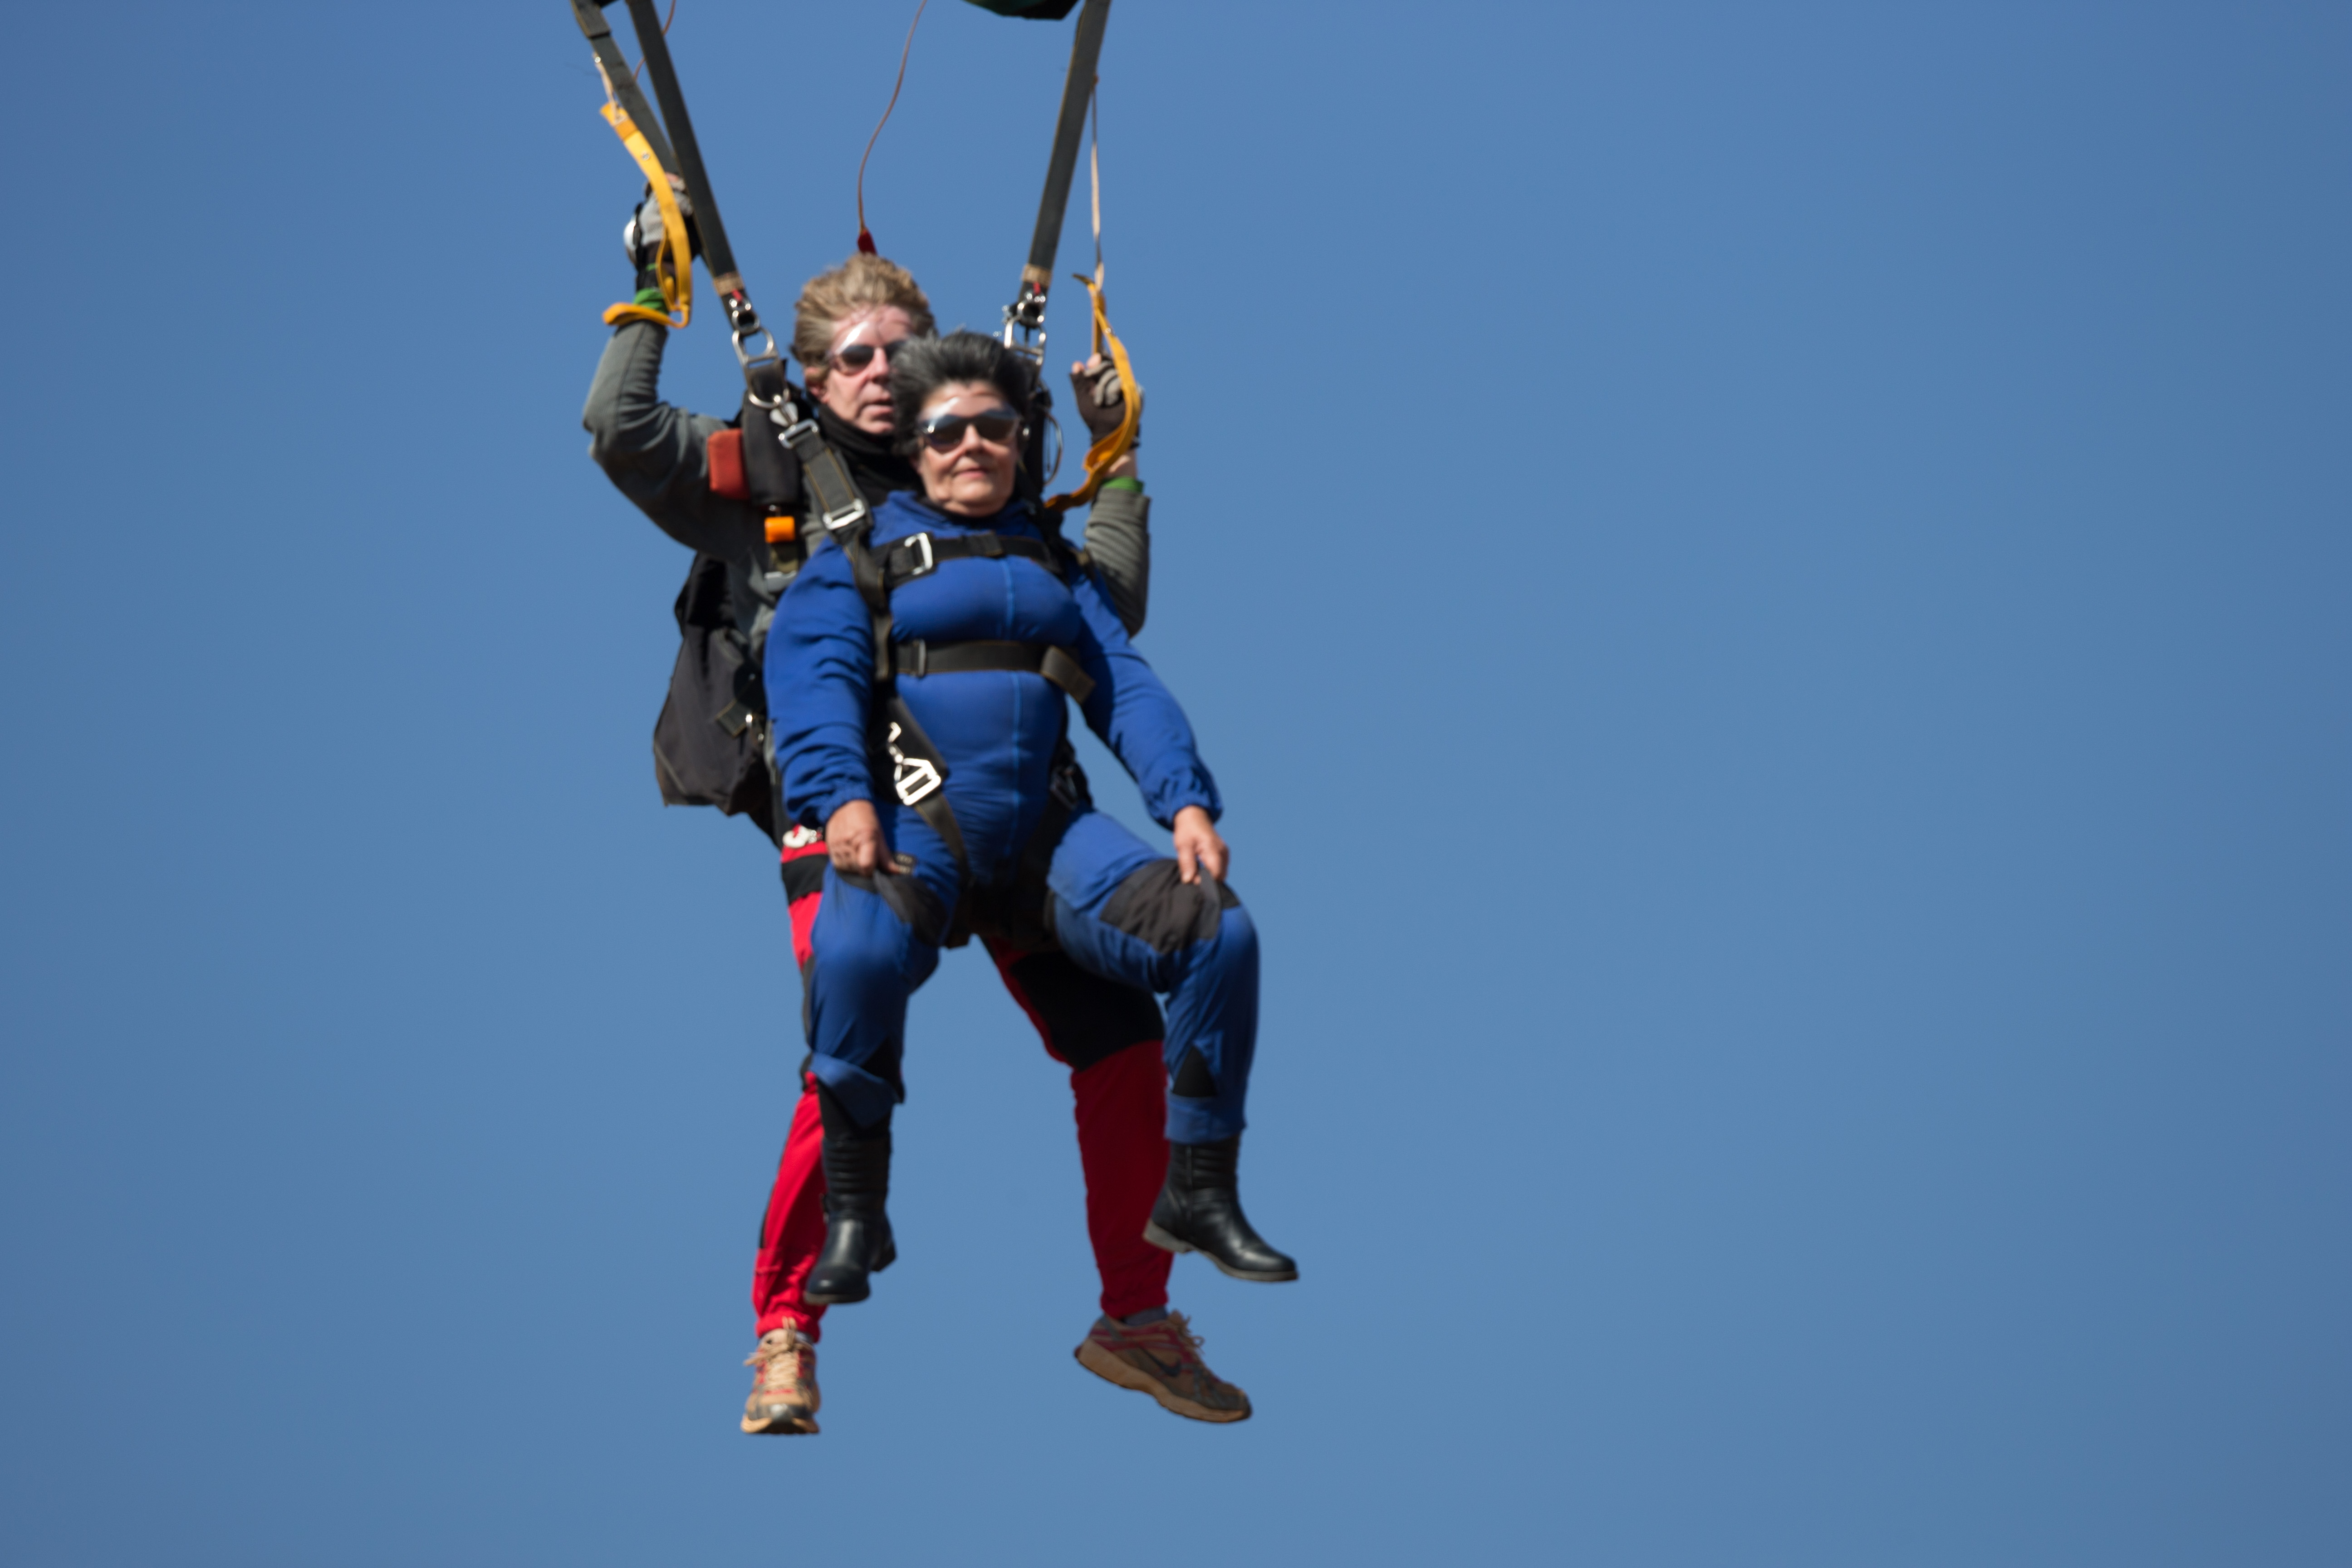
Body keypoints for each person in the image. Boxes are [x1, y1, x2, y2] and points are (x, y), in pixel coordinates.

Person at [583, 207, 1244, 1431]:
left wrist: (1115, 460)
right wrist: (651, 295)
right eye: (856, 357)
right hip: (860, 815)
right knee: (851, 1042)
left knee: (1125, 1044)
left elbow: (1103, 614)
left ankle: (1137, 1320)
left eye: (902, 352)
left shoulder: (979, 462)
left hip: (1015, 815)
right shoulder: (765, 475)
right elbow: (621, 434)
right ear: (814, 375)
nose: (884, 375)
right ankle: (786, 1328)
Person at [769, 331, 1298, 1423]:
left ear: (1020, 441)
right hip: (915, 833)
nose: (972, 446)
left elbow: (1125, 685)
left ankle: (1200, 1193)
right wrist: (842, 797)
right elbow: (813, 683)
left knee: (1219, 933)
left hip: (1049, 845)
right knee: (851, 962)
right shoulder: (856, 560)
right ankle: (858, 1214)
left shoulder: (1055, 568)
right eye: (946, 431)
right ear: (915, 449)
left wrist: (1185, 802)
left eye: (994, 427)